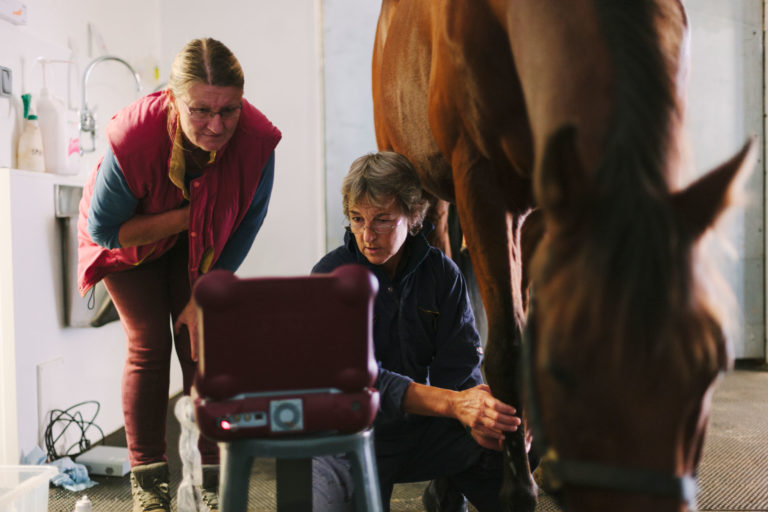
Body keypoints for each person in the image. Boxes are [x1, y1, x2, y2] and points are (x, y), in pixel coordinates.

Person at [77, 37, 281, 512]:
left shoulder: (257, 142)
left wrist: (204, 295)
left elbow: (247, 223)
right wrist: (189, 218)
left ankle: (210, 482)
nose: (216, 125)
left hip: (198, 245)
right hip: (130, 243)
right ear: (173, 100)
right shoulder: (133, 138)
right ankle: (149, 484)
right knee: (149, 343)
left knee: (199, 343)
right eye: (201, 111)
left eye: (229, 110)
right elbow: (105, 230)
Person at [311, 152, 521, 512]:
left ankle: (447, 492)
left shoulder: (442, 273)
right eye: (357, 219)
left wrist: (485, 414)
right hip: (349, 434)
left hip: (423, 429)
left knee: (507, 447)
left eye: (382, 220)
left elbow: (460, 366)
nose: (366, 235)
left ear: (413, 218)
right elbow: (358, 381)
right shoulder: (330, 276)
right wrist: (455, 405)